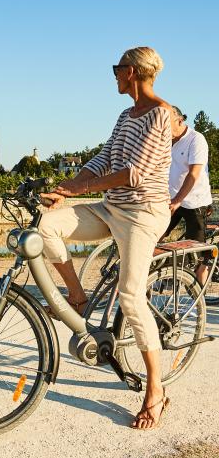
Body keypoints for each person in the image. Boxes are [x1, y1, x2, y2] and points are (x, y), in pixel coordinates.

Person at [39, 46, 172, 431]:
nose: (113, 75)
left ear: (131, 72)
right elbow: (104, 159)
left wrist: (83, 190)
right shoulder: (125, 115)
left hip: (142, 214)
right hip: (111, 207)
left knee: (131, 297)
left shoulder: (161, 115)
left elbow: (133, 173)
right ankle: (77, 298)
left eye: (117, 69)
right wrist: (67, 188)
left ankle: (155, 390)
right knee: (47, 226)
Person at [164, 105, 213, 283]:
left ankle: (199, 300)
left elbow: (194, 174)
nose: (164, 129)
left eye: (167, 124)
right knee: (156, 233)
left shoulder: (196, 140)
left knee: (198, 252)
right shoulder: (165, 141)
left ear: (180, 120)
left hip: (195, 202)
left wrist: (178, 200)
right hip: (171, 199)